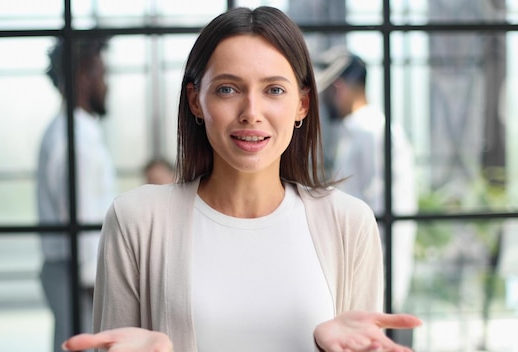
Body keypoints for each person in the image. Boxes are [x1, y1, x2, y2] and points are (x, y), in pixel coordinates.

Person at [62, 6, 421, 352]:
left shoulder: (350, 224)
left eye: (274, 90)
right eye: (228, 89)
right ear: (195, 101)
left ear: (303, 104)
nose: (251, 113)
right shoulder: (136, 221)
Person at [316, 47, 419, 346]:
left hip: (376, 274)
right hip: (366, 273)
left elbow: (377, 213)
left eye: (325, 95)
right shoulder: (360, 132)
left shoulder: (372, 133)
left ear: (338, 88)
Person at [37, 35, 117, 352]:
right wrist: (101, 285)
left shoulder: (72, 131)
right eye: (102, 74)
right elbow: (81, 216)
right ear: (84, 77)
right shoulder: (74, 139)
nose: (106, 85)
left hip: (73, 271)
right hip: (78, 274)